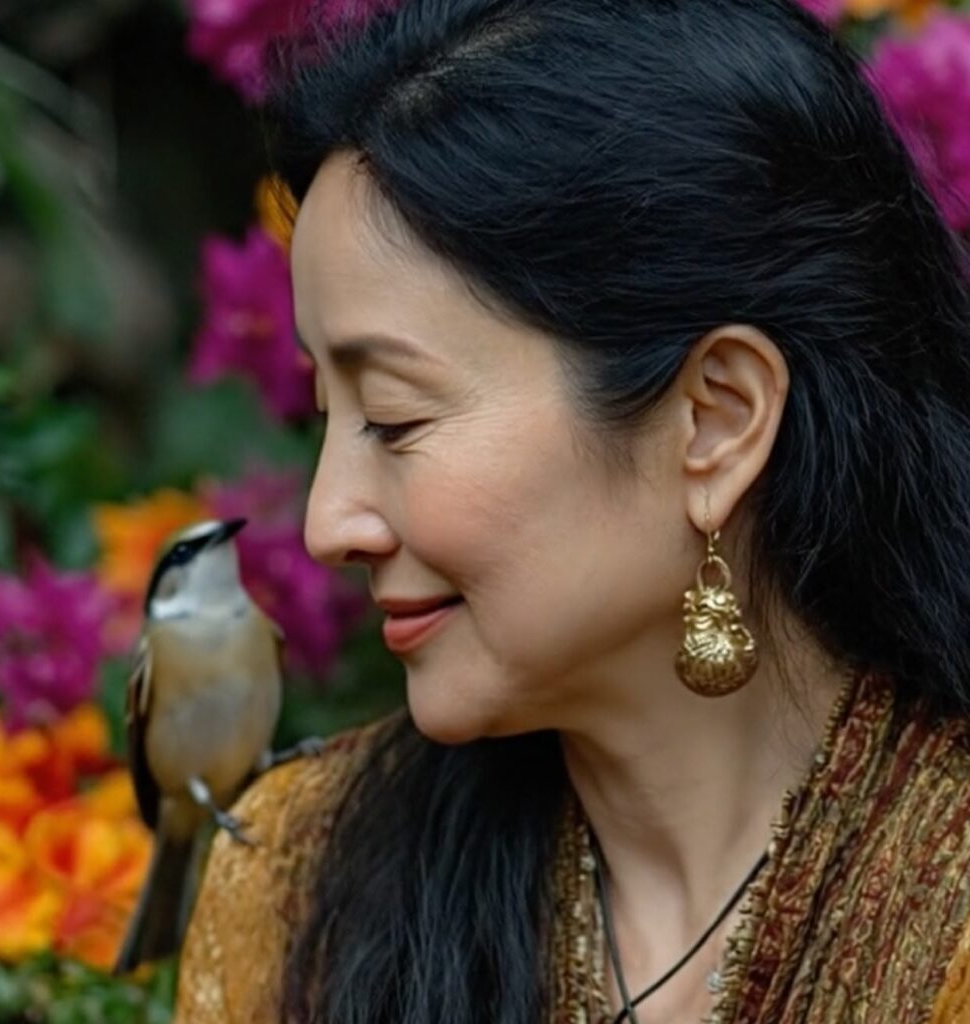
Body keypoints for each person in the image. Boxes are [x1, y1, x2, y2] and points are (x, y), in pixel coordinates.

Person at [173, 1, 970, 1021]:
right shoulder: (294, 882)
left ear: (714, 423)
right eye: (328, 416)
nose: (331, 523)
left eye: (395, 417)